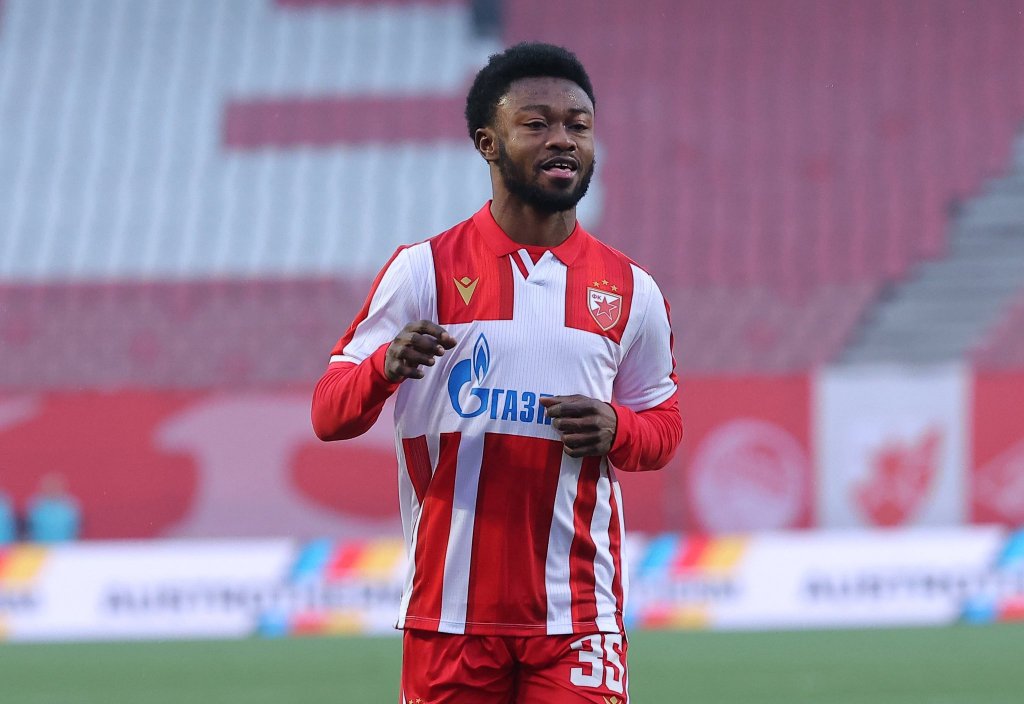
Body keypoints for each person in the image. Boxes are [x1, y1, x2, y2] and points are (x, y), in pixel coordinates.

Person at [312, 42, 682, 704]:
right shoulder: (422, 271)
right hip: (449, 617)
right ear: (488, 142)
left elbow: (664, 425)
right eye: (536, 124)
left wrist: (618, 428)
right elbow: (328, 413)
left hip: (579, 617)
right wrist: (384, 368)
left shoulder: (632, 290)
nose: (562, 139)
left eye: (578, 124)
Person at [25, 473, 82, 543]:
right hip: (40, 545)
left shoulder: (71, 505)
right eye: (49, 486)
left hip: (66, 544)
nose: (52, 489)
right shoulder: (34, 505)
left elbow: (76, 528)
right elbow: (29, 528)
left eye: (55, 486)